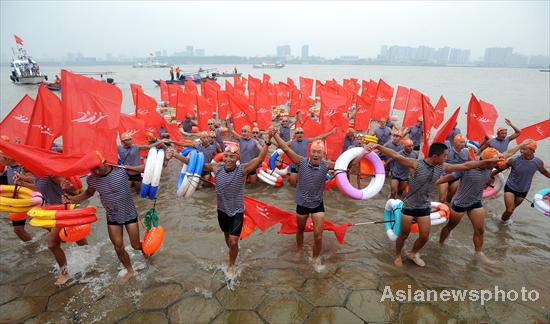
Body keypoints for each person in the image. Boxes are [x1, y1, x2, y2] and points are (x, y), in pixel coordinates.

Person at [372, 142, 499, 268]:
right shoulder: (416, 164)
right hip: (409, 206)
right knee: (404, 235)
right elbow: (396, 156)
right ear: (435, 156)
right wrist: (378, 147)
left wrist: (487, 162)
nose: (446, 158)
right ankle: (398, 255)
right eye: (444, 155)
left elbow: (466, 165)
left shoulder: (442, 167)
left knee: (424, 237)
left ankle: (413, 253)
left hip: (424, 207)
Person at [169, 129, 274, 279]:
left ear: (237, 158)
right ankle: (234, 249)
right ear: (223, 156)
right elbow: (192, 164)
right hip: (222, 211)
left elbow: (259, 160)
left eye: (232, 156)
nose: (229, 159)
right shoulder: (216, 168)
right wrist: (175, 155)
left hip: (237, 211)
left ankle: (231, 264)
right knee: (227, 238)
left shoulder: (242, 170)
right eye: (227, 156)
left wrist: (268, 141)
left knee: (232, 240)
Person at [437, 142, 529, 262]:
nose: (496, 164)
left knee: (480, 230)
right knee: (450, 226)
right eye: (493, 162)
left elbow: (508, 153)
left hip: (476, 202)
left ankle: (478, 253)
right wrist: (433, 182)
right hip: (460, 203)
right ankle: (440, 244)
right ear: (486, 161)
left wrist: (522, 144)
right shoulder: (468, 167)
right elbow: (450, 177)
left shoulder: (490, 166)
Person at [65, 153, 144, 285]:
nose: (95, 171)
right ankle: (130, 270)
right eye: (92, 170)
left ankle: (145, 250)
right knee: (118, 247)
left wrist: (164, 158)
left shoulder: (121, 171)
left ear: (104, 162)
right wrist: (71, 199)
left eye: (97, 168)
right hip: (112, 216)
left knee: (136, 245)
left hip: (129, 214)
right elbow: (88, 194)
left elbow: (144, 169)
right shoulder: (92, 180)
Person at [274, 132, 336, 271]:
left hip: (317, 204)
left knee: (318, 236)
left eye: (319, 152)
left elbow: (348, 164)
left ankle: (314, 258)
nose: (316, 154)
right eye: (314, 151)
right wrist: (275, 135)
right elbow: (286, 149)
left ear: (323, 154)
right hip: (302, 203)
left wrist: (364, 152)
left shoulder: (326, 165)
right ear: (310, 152)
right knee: (300, 229)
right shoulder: (301, 161)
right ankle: (299, 250)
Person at [15, 173, 88, 285]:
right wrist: (22, 183)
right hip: (54, 212)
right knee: (77, 237)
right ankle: (89, 254)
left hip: (64, 211)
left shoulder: (52, 175)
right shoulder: (37, 174)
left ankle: (65, 273)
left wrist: (68, 186)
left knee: (52, 244)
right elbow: (40, 188)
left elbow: (73, 189)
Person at [492, 140, 549, 225]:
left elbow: (544, 172)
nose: (521, 151)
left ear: (532, 151)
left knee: (511, 210)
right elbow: (500, 169)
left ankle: (502, 221)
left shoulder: (538, 162)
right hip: (510, 187)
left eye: (524, 149)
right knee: (509, 209)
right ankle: (501, 224)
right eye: (521, 149)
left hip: (523, 190)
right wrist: (489, 176)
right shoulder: (514, 160)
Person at [0, 151, 32, 241]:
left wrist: (23, 180)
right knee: (18, 230)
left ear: (7, 159)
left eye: (0, 157)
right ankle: (32, 248)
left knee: (45, 225)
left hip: (31, 200)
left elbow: (36, 185)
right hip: (18, 201)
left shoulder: (24, 167)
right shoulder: (9, 167)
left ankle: (59, 240)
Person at [438, 134, 471, 202]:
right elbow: (440, 163)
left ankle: (448, 209)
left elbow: (470, 163)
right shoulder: (447, 151)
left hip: (456, 178)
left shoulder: (466, 151)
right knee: (442, 199)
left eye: (463, 142)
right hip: (445, 176)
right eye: (460, 142)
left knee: (449, 199)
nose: (462, 144)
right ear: (455, 142)